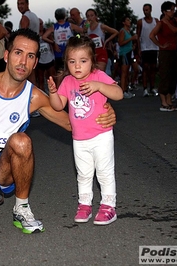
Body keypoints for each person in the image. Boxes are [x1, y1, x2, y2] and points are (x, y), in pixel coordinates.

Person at [0, 28, 117, 235]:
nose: (23, 62)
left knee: (21, 140)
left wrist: (104, 114)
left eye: (30, 56)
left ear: (36, 62)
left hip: (4, 167)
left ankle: (21, 208)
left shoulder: (35, 97)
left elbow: (72, 123)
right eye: (18, 53)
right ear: (6, 55)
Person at [47, 35, 122, 225]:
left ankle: (108, 206)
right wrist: (53, 93)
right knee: (84, 173)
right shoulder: (68, 82)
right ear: (67, 63)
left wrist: (99, 86)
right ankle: (84, 204)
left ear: (92, 61)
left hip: (101, 135)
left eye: (83, 61)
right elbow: (58, 106)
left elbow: (118, 93)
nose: (77, 66)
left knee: (104, 171)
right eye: (72, 62)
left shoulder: (98, 76)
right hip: (79, 139)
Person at [42, 8, 85, 88]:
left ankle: (58, 92)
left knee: (59, 74)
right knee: (71, 72)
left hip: (58, 53)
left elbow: (44, 37)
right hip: (69, 52)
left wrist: (53, 43)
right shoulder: (69, 25)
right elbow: (83, 30)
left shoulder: (54, 27)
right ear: (65, 16)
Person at [149, 1, 177, 111]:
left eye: (173, 10)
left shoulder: (174, 21)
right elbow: (151, 35)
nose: (172, 12)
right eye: (170, 10)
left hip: (174, 50)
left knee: (173, 75)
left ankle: (169, 99)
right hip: (165, 52)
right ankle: (163, 102)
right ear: (164, 12)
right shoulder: (161, 23)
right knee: (165, 75)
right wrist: (160, 45)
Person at [85, 8, 119, 73]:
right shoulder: (87, 28)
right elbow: (82, 33)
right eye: (88, 16)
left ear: (96, 16)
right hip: (91, 53)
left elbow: (115, 32)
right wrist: (86, 26)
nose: (90, 18)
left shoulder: (101, 26)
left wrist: (107, 41)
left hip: (101, 52)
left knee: (100, 73)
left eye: (92, 15)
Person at [136, 3, 159, 97]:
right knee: (145, 68)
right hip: (145, 48)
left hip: (154, 47)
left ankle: (152, 87)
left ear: (151, 10)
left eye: (147, 10)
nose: (146, 12)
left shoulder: (156, 21)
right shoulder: (140, 22)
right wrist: (139, 48)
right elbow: (138, 35)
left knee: (153, 68)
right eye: (144, 10)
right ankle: (145, 88)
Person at [17, 0, 39, 86]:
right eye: (18, 4)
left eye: (22, 4)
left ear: (27, 4)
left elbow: (22, 36)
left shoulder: (25, 17)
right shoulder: (34, 16)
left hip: (27, 49)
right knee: (32, 73)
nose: (20, 6)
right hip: (35, 48)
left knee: (26, 74)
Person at [118, 17, 138, 99]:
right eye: (127, 20)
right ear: (123, 22)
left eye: (130, 20)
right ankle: (122, 91)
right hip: (124, 53)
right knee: (124, 72)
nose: (129, 21)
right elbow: (120, 43)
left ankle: (126, 89)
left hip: (129, 52)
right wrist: (131, 39)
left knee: (128, 72)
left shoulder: (128, 31)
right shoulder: (122, 31)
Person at [36, 18, 55, 93]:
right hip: (40, 60)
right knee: (41, 80)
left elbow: (52, 42)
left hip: (49, 58)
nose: (41, 25)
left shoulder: (47, 32)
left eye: (41, 23)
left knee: (52, 78)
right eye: (39, 24)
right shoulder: (35, 33)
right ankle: (42, 96)